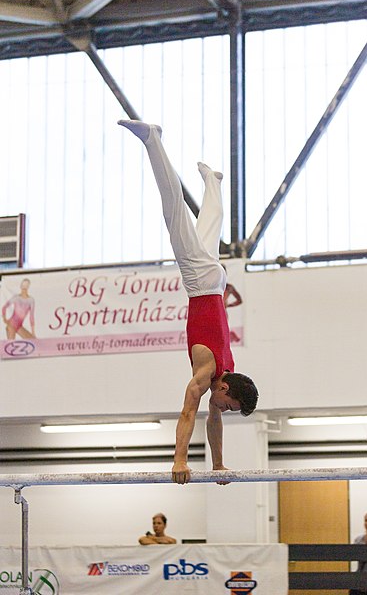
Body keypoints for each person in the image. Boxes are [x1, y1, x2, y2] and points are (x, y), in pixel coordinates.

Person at [118, 120, 259, 485]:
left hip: (214, 282)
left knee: (207, 231)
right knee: (174, 211)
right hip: (200, 283)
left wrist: (218, 465)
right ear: (226, 388)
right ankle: (153, 139)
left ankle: (213, 182)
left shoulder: (226, 371)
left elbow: (210, 420)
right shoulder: (207, 372)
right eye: (227, 405)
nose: (222, 410)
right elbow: (186, 413)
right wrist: (179, 460)